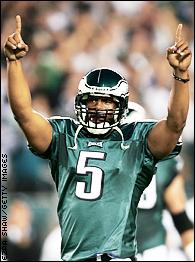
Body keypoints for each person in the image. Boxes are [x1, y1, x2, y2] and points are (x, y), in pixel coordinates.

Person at [4, 15, 192, 261]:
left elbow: (175, 123)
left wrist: (180, 75)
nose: (98, 106)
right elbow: (23, 114)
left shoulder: (136, 139)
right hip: (74, 256)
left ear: (121, 106)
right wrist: (14, 63)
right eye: (92, 99)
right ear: (80, 101)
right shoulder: (64, 135)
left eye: (106, 100)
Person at [124, 103, 194, 261]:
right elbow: (181, 218)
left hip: (112, 249)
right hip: (153, 250)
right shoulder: (165, 163)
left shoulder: (100, 161)